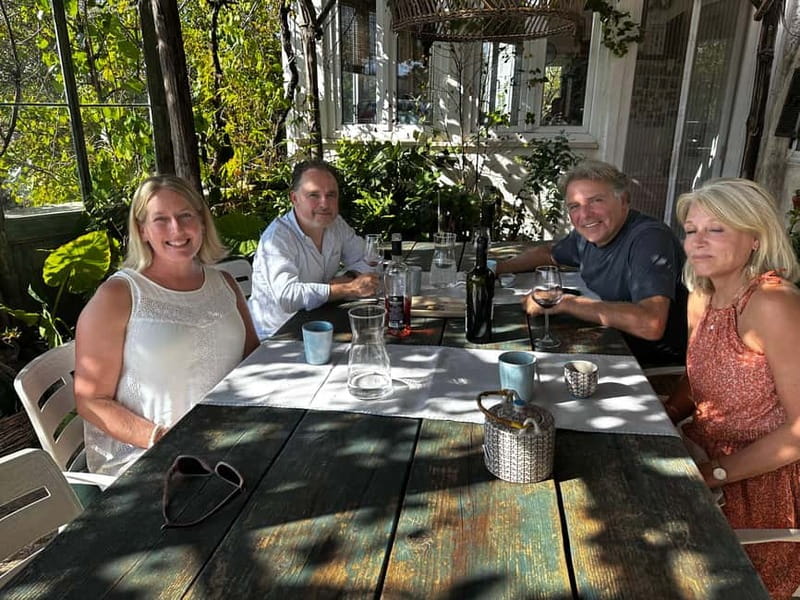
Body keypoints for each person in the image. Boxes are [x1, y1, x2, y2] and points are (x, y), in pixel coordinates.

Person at [664, 178, 800, 598]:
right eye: (691, 231)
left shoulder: (774, 304)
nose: (697, 241)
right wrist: (659, 418)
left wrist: (714, 474)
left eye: (716, 229)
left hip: (759, 487)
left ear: (755, 238)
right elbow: (697, 376)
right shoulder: (701, 296)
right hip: (699, 457)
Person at [74, 175, 259, 477]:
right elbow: (91, 401)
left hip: (230, 442)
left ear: (201, 221)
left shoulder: (224, 283)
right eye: (161, 219)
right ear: (142, 230)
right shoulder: (119, 295)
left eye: (186, 215)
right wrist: (166, 439)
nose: (177, 228)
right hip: (151, 458)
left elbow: (253, 357)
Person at [497, 160, 687, 367]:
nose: (585, 215)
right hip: (609, 340)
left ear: (624, 200)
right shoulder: (587, 235)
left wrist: (564, 302)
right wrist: (495, 269)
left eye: (596, 201)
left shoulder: (650, 240)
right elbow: (549, 254)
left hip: (649, 363)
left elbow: (651, 324)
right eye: (574, 206)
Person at [249, 160, 378, 339]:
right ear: (294, 198)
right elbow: (288, 297)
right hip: (279, 338)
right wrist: (347, 289)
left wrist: (349, 277)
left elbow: (370, 258)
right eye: (314, 195)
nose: (324, 203)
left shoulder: (335, 224)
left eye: (331, 194)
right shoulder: (277, 239)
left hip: (323, 322)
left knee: (375, 339)